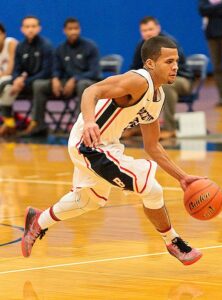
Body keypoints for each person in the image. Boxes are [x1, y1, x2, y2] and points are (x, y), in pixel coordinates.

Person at [21, 36, 203, 265]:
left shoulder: (158, 96)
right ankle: (172, 241)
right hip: (88, 144)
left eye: (176, 60)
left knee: (88, 201)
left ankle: (38, 220)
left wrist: (183, 177)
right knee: (150, 187)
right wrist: (89, 122)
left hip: (108, 147)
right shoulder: (137, 81)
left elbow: (153, 146)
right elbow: (91, 91)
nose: (175, 66)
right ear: (150, 64)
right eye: (168, 61)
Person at [24, 17, 101, 136]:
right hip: (66, 83)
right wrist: (55, 78)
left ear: (79, 30)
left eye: (76, 28)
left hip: (86, 82)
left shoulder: (90, 47)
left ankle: (80, 126)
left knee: (83, 85)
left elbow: (94, 72)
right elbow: (56, 69)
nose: (73, 31)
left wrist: (75, 79)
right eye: (70, 29)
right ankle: (39, 125)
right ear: (64, 31)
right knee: (39, 85)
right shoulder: (60, 49)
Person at [129, 16, 193, 139]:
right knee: (134, 85)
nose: (148, 33)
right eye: (144, 30)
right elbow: (134, 68)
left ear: (158, 28)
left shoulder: (168, 43)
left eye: (150, 29)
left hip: (180, 79)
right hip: (154, 81)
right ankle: (136, 126)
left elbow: (174, 67)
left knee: (165, 87)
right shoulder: (141, 45)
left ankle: (170, 128)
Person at [0, 16, 53, 136]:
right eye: (27, 27)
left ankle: (36, 123)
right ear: (22, 29)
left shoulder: (46, 45)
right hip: (25, 83)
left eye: (33, 26)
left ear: (39, 28)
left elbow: (46, 72)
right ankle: (9, 123)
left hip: (42, 82)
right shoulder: (21, 47)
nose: (30, 29)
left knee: (38, 85)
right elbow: (16, 70)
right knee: (6, 86)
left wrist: (23, 81)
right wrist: (16, 80)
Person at [0, 23, 18, 135]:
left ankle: (9, 123)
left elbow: (10, 69)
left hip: (16, 79)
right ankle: (9, 123)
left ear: (4, 34)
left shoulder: (11, 43)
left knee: (6, 87)